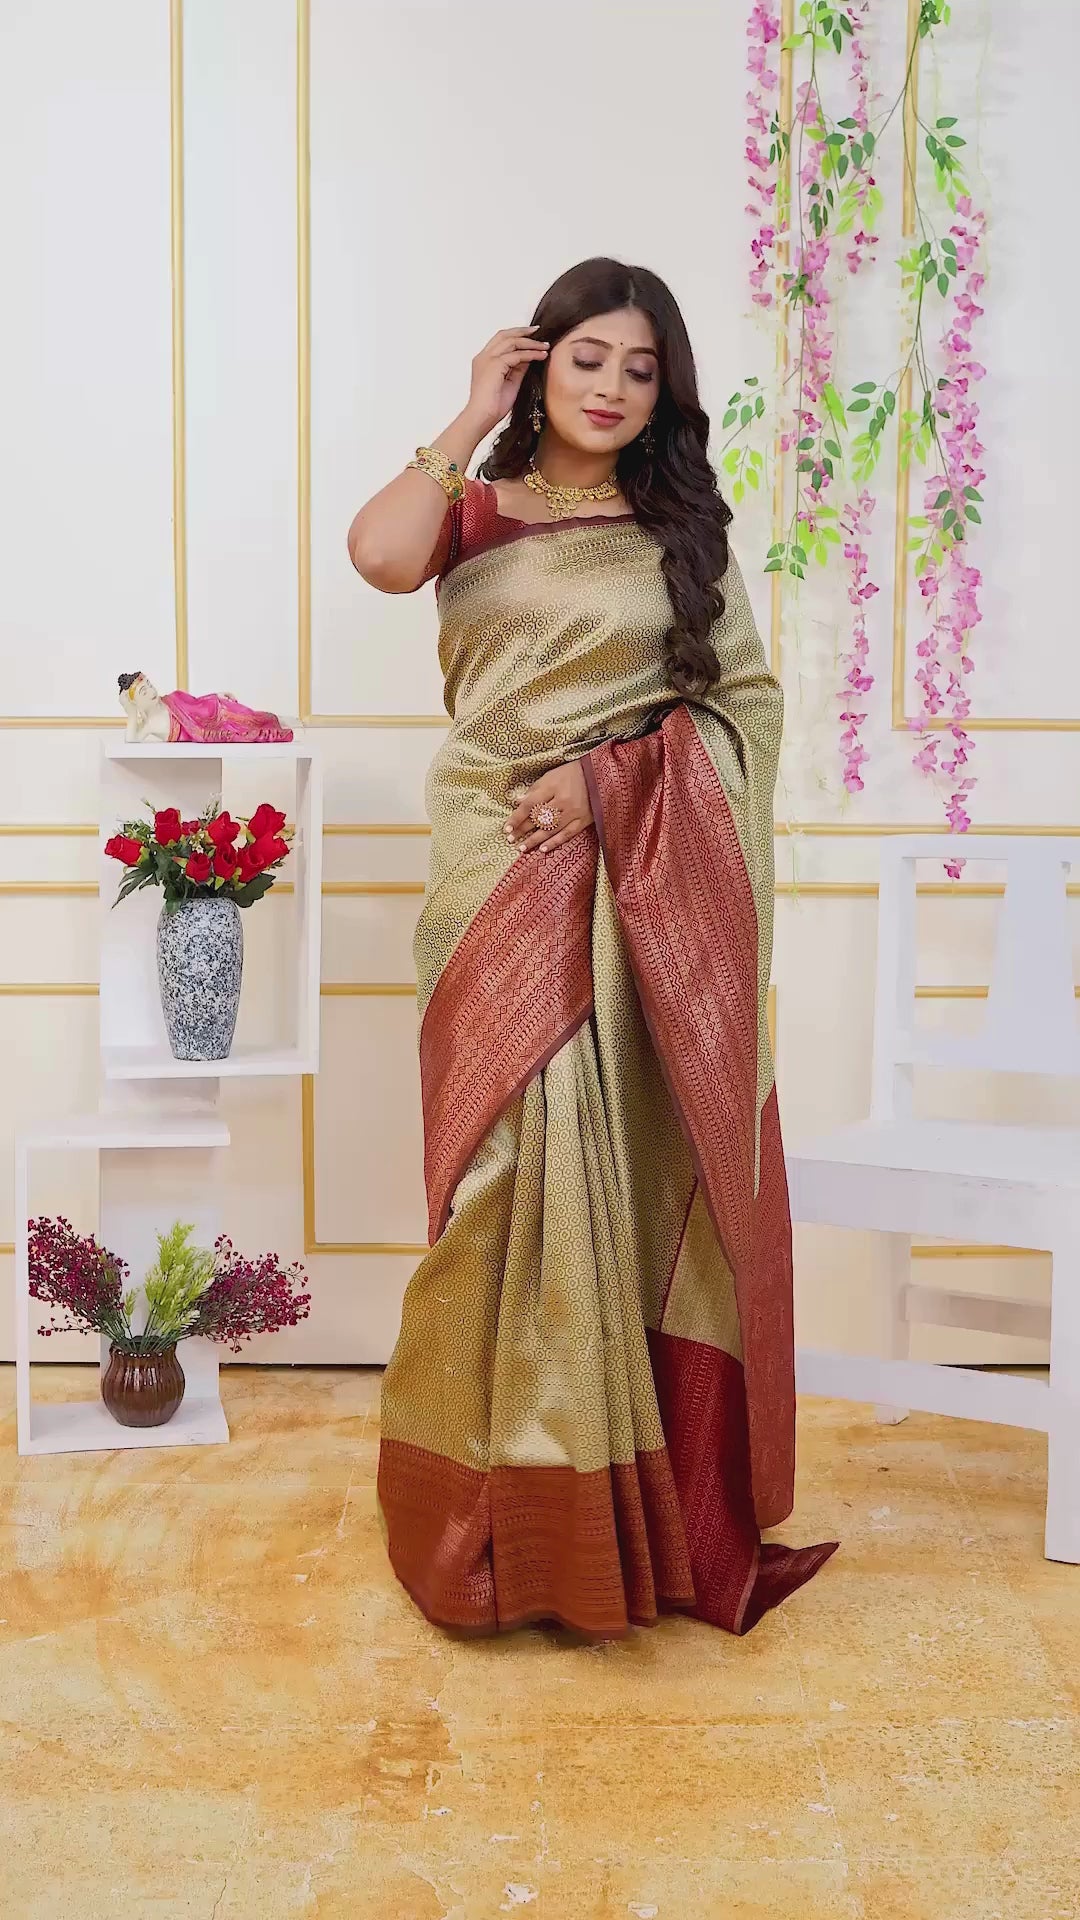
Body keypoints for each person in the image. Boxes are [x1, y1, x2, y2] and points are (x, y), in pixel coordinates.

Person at [347, 255, 838, 1639]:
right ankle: (482, 1519)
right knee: (496, 1186)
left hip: (631, 896)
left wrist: (610, 783)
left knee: (614, 1186)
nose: (614, 387)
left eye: (641, 368)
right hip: (488, 874)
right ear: (538, 363)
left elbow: (744, 711)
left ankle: (604, 1534)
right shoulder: (478, 508)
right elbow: (379, 556)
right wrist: (467, 413)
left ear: (665, 392)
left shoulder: (680, 538)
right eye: (588, 359)